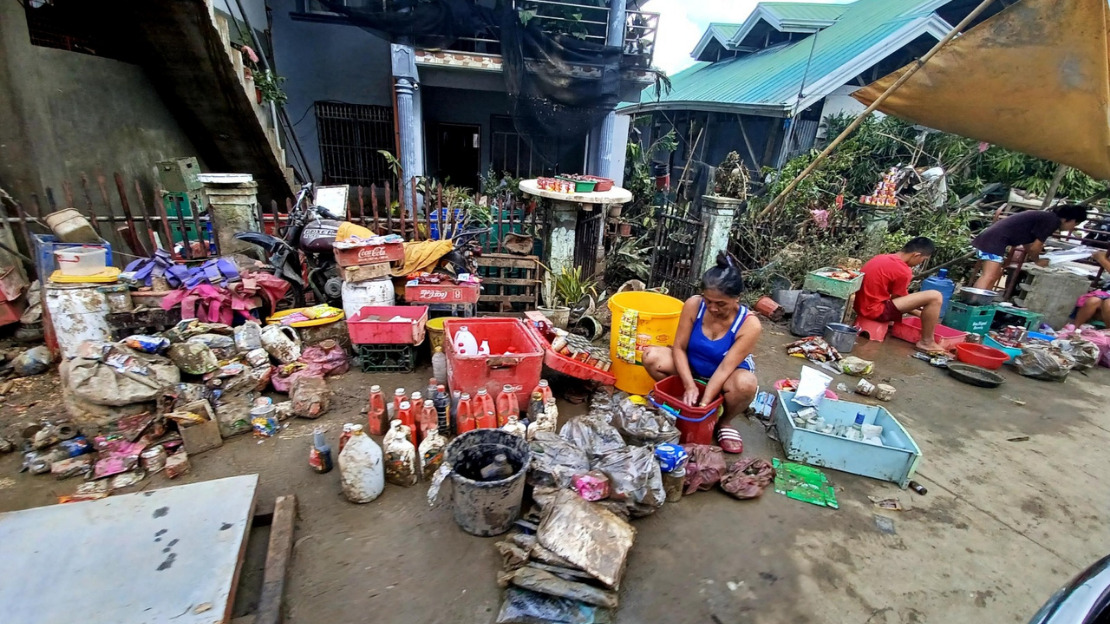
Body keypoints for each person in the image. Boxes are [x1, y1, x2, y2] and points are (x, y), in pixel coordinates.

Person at [642, 252, 760, 453]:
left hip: (725, 374)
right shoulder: (694, 305)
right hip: (692, 365)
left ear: (736, 298)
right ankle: (681, 398)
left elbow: (725, 368)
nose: (713, 308)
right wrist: (689, 386)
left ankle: (723, 422)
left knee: (746, 385)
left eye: (721, 304)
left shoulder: (750, 325)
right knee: (651, 357)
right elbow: (678, 348)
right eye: (708, 301)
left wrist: (703, 405)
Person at [854, 237, 943, 352]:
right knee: (935, 296)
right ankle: (927, 342)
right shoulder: (903, 270)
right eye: (922, 260)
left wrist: (920, 311)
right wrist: (920, 314)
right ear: (916, 255)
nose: (919, 263)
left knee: (921, 301)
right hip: (874, 311)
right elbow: (898, 302)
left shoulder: (881, 257)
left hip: (860, 305)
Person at [970, 205, 1087, 290]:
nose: (1072, 228)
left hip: (993, 239)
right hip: (994, 241)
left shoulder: (1046, 217)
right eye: (1075, 225)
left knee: (996, 274)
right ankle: (973, 304)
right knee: (989, 275)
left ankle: (982, 302)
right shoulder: (1052, 221)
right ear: (1071, 220)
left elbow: (1027, 243)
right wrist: (1037, 260)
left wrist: (1034, 257)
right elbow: (1036, 247)